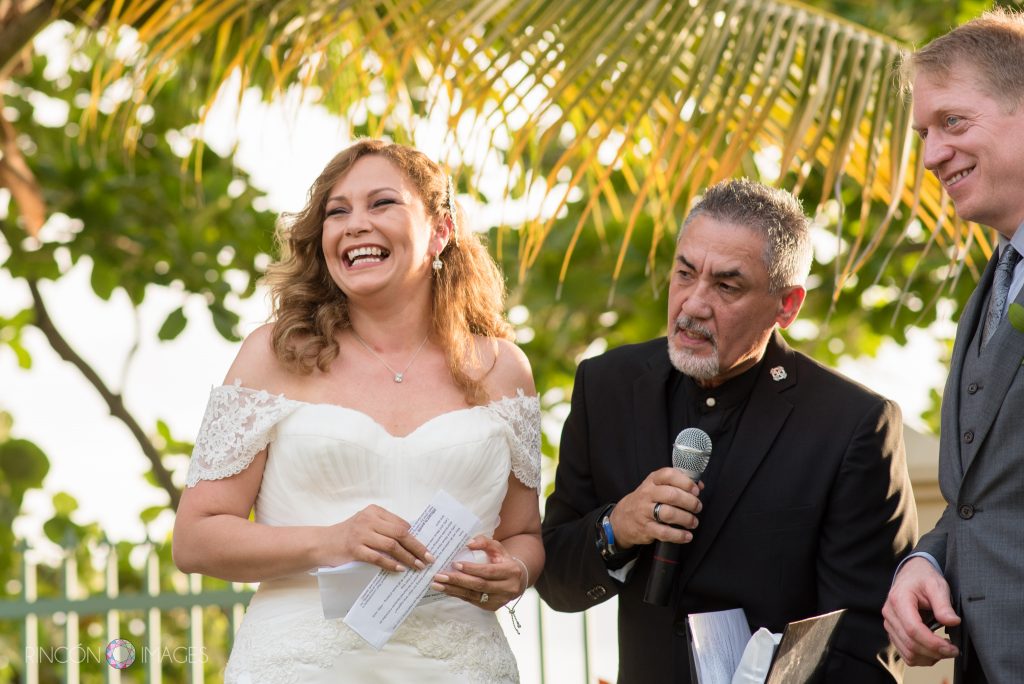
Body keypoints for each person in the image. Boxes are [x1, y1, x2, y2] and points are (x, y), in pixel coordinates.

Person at [172, 139, 543, 683]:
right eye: (337, 211)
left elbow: (524, 534)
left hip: (462, 667)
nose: (355, 224)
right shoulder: (272, 353)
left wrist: (516, 573)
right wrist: (332, 540)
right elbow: (195, 538)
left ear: (440, 232)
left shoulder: (504, 370)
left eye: (382, 204)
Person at [536, 178, 918, 683]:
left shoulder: (853, 425)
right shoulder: (606, 385)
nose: (693, 304)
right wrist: (616, 528)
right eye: (685, 273)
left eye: (726, 286)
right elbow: (556, 579)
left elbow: (864, 640)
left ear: (787, 305)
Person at [882, 9, 1024, 682]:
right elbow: (989, 499)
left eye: (954, 123)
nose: (932, 153)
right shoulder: (990, 288)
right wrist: (927, 559)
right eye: (925, 134)